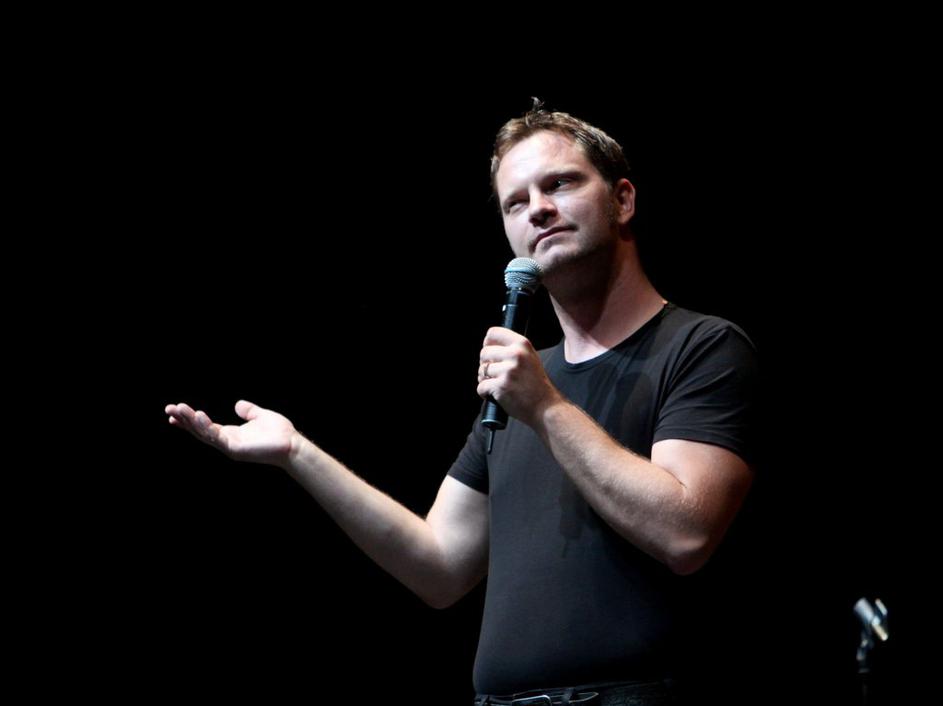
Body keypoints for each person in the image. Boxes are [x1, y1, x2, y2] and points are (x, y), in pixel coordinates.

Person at [165, 104, 759, 705]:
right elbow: (440, 566)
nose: (538, 209)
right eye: (515, 202)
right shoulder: (522, 383)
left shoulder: (700, 348)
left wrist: (545, 408)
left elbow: (686, 533)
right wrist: (297, 453)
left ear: (622, 199)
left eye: (560, 183)